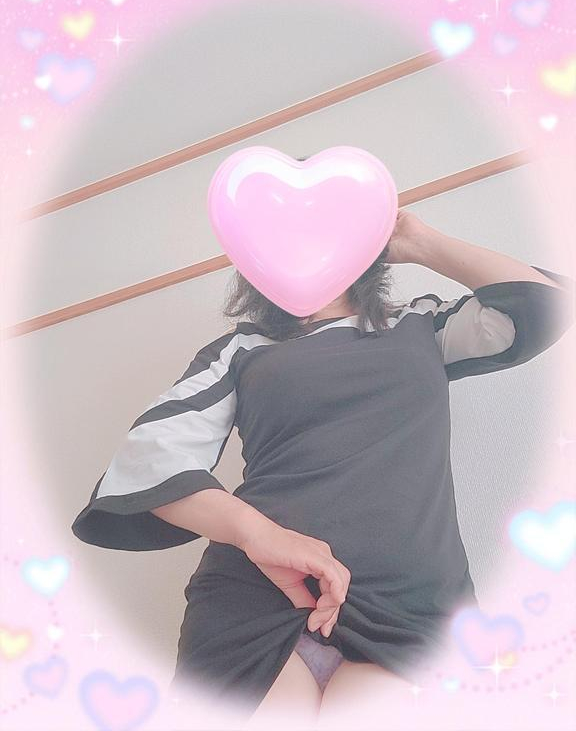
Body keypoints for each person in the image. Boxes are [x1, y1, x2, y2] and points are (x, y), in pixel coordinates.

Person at [71, 193, 575, 726]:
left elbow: (544, 305)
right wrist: (256, 534)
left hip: (414, 606)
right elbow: (149, 458)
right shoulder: (241, 349)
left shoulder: (421, 324)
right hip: (258, 597)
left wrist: (418, 241)